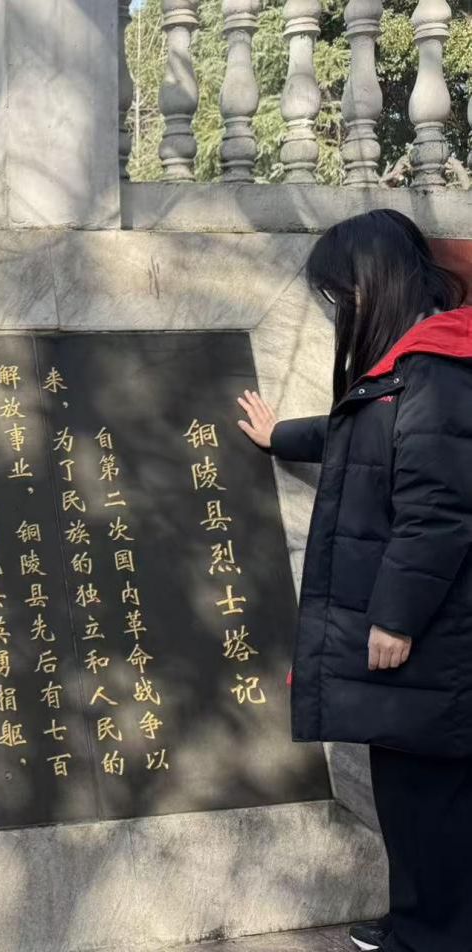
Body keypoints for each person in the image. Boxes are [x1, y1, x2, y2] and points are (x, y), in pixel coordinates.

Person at [237, 209, 472, 952]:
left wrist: (395, 618)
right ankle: (418, 923)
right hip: (426, 643)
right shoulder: (413, 364)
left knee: (429, 802)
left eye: (345, 294)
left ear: (376, 282)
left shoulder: (439, 367)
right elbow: (358, 434)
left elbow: (438, 511)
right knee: (409, 798)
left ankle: (431, 938)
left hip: (433, 638)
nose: (344, 309)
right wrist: (279, 435)